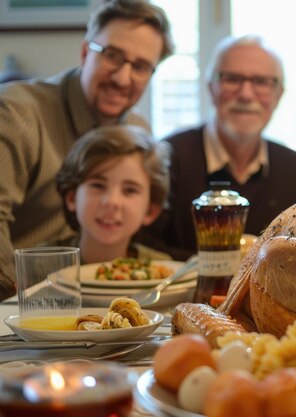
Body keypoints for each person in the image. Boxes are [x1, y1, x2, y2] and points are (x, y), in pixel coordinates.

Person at [0, 0, 173, 300]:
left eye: (141, 66)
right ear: (84, 52)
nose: (122, 78)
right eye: (112, 56)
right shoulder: (18, 114)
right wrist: (27, 296)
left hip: (95, 296)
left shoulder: (138, 131)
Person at [142, 34, 296, 260]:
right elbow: (143, 245)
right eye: (232, 79)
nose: (245, 94)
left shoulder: (294, 170)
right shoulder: (168, 158)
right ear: (211, 87)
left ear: (279, 94)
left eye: (262, 82)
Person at [55, 125, 171, 264]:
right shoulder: (36, 265)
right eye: (98, 186)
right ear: (72, 198)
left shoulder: (164, 271)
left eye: (129, 190)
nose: (112, 201)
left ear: (150, 211)